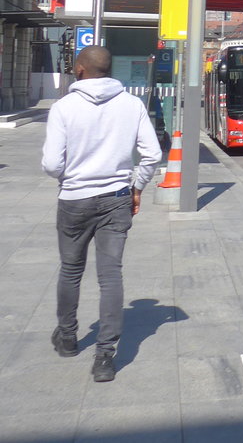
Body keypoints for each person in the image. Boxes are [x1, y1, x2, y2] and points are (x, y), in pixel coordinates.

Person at [41, 45, 161, 383]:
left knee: (70, 270)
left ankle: (67, 338)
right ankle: (105, 358)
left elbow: (52, 163)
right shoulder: (132, 104)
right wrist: (136, 187)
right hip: (116, 199)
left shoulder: (64, 107)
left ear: (79, 70)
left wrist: (68, 177)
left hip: (74, 201)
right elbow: (151, 154)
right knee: (111, 277)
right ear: (109, 69)